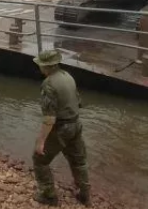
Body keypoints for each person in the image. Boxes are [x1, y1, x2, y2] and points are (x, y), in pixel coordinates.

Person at [32, 50, 91, 207]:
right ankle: (84, 193)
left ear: (46, 66)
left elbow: (49, 118)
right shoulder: (68, 76)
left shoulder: (48, 84)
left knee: (39, 160)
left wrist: (40, 141)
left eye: (40, 65)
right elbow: (79, 102)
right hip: (76, 124)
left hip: (62, 128)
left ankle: (48, 195)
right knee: (79, 161)